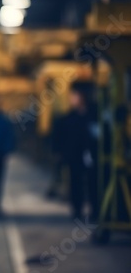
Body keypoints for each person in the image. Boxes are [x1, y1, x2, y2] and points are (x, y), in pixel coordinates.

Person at [52, 85, 98, 221]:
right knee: (75, 183)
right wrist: (59, 153)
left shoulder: (93, 116)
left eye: (74, 96)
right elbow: (59, 137)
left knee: (93, 183)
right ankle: (77, 211)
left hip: (92, 156)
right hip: (74, 157)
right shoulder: (68, 118)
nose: (71, 99)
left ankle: (95, 211)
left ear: (82, 97)